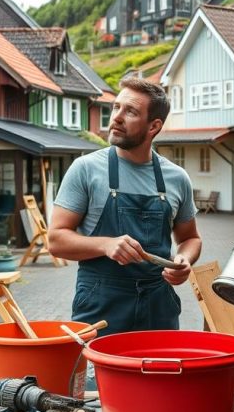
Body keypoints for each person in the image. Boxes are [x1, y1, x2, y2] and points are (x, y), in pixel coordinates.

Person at [48, 78, 202, 336]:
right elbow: (55, 241)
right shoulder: (85, 169)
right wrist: (105, 245)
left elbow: (190, 238)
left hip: (158, 305)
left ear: (154, 126)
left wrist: (184, 259)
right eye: (116, 108)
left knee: (158, 376)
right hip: (101, 304)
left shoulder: (176, 178)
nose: (116, 118)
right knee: (96, 378)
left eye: (130, 111)